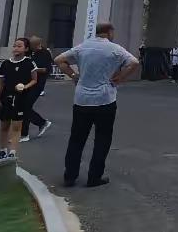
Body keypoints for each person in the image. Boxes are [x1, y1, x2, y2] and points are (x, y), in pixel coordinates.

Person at [55, 23, 139, 187]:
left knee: (77, 139)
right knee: (102, 139)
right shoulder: (115, 49)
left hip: (82, 99)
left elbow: (59, 60)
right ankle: (94, 177)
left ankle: (70, 176)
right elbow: (134, 62)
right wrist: (120, 78)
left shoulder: (82, 47)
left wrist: (73, 75)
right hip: (105, 99)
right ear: (110, 32)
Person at [0, 38, 38, 163]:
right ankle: (2, 151)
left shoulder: (29, 63)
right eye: (14, 46)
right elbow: (0, 83)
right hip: (5, 98)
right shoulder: (6, 63)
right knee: (4, 126)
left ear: (26, 49)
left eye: (19, 46)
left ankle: (12, 153)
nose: (16, 48)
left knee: (17, 126)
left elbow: (34, 79)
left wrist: (25, 87)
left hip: (21, 99)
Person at [19, 36, 53, 142]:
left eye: (31, 45)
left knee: (26, 107)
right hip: (27, 83)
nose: (29, 47)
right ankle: (42, 123)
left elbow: (45, 69)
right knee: (23, 106)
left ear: (36, 45)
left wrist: (31, 69)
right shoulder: (31, 52)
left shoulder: (45, 53)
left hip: (37, 85)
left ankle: (24, 134)